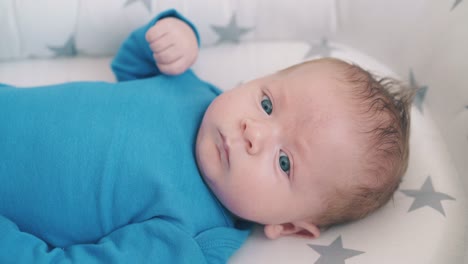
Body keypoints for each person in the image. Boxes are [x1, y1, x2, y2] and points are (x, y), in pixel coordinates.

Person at [0, 9, 415, 264]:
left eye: (284, 162)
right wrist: (175, 37)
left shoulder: (191, 236)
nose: (253, 132)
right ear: (254, 81)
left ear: (289, 226)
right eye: (267, 104)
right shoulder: (198, 94)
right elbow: (133, 62)